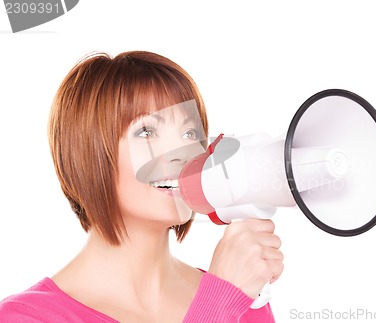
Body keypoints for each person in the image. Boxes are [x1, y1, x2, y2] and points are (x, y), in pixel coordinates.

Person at [0, 51, 284, 322]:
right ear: (88, 155)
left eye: (190, 132)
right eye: (146, 132)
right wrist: (220, 301)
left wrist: (228, 296)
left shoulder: (243, 295)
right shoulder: (26, 317)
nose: (181, 153)